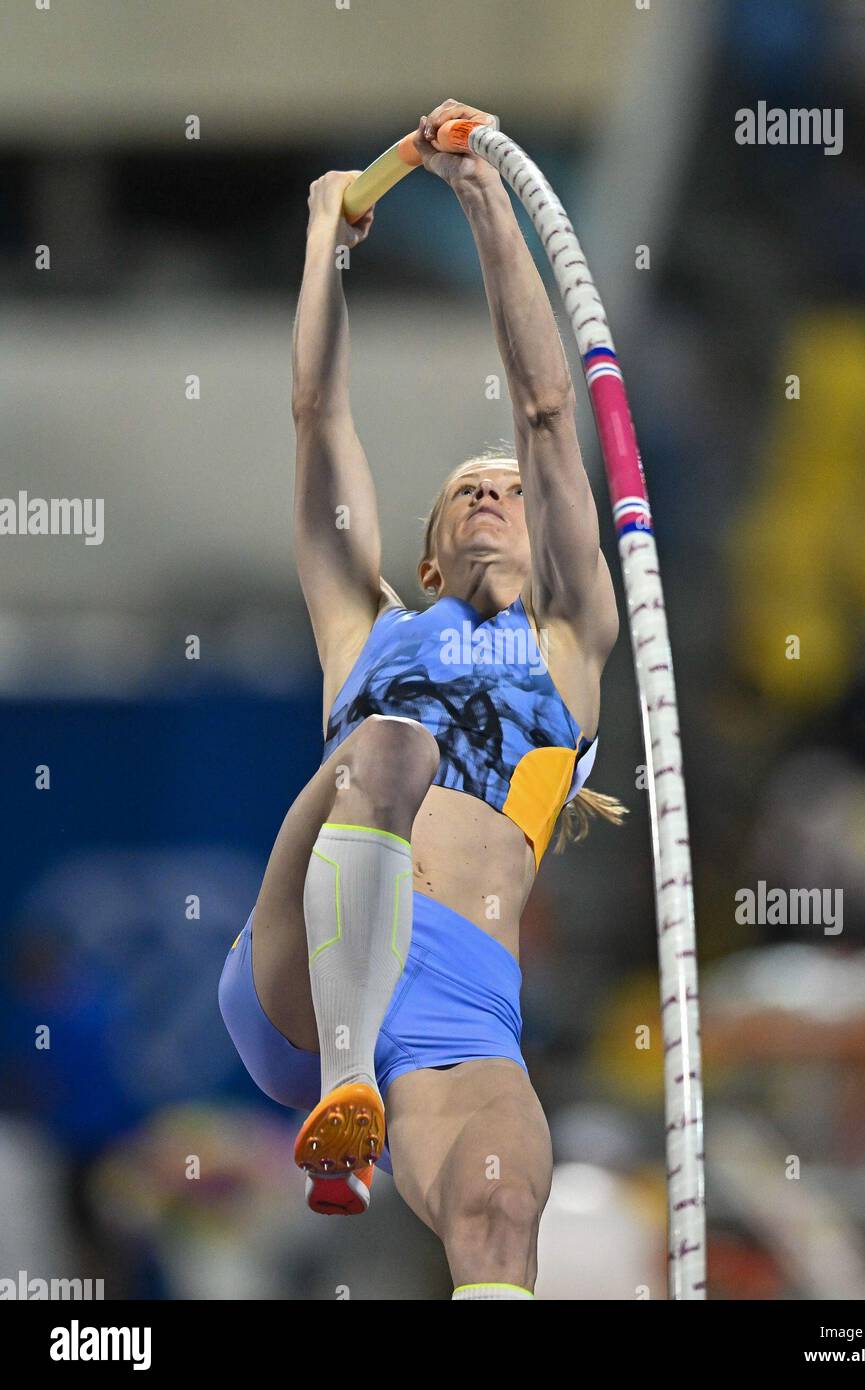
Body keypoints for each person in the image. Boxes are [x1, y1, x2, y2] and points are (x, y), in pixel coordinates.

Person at [219, 98, 625, 1301]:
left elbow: (549, 414)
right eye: (470, 489)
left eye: (510, 486)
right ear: (433, 555)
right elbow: (315, 416)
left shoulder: (570, 643)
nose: (500, 490)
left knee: (500, 1209)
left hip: (456, 996)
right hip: (303, 970)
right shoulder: (369, 626)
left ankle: (375, 1123)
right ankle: (345, 1090)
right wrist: (321, 240)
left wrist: (486, 197)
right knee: (386, 749)